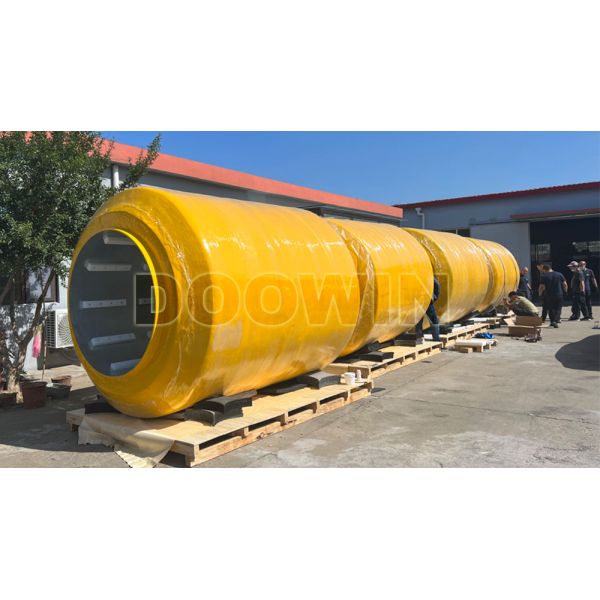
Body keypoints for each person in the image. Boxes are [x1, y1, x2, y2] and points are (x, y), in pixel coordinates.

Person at [415, 276, 441, 342]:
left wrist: (434, 297)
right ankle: (420, 338)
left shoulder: (429, 277)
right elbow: (437, 285)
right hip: (422, 301)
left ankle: (435, 338)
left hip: (427, 301)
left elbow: (437, 286)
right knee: (420, 320)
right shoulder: (427, 276)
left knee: (432, 320)